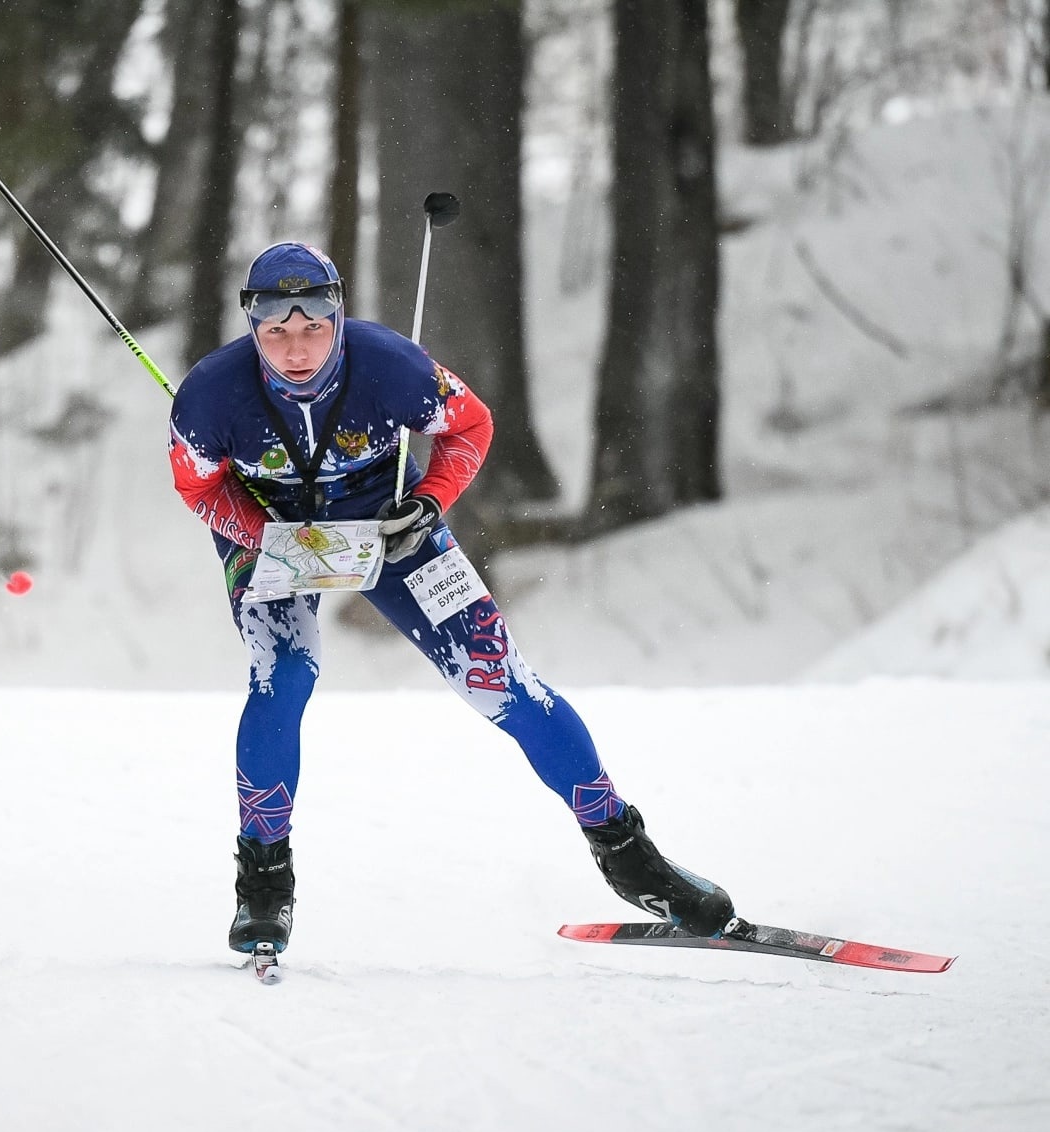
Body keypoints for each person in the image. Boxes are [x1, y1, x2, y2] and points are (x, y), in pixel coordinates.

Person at [167, 241, 735, 957]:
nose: (296, 351)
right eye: (276, 332)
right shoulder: (211, 395)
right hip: (270, 534)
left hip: (393, 527)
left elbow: (473, 426)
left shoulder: (391, 365)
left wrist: (430, 503)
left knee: (499, 679)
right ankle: (264, 887)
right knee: (284, 681)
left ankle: (630, 857)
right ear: (253, 327)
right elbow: (197, 486)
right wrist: (266, 535)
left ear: (339, 317)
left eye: (314, 328)